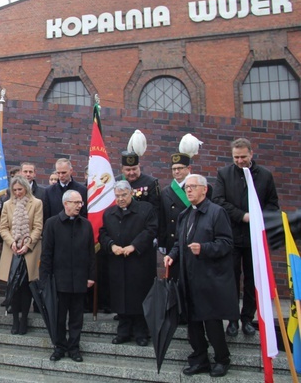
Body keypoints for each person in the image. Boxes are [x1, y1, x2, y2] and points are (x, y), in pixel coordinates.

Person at [164, 174, 237, 377]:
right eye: (187, 187)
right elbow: (179, 242)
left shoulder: (216, 212)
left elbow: (226, 243)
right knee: (193, 324)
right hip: (188, 278)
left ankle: (222, 359)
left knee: (212, 323)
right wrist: (171, 255)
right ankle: (199, 359)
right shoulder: (185, 214)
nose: (188, 190)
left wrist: (204, 248)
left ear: (204, 190)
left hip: (210, 279)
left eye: (193, 187)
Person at [213, 138, 279, 337]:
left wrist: (259, 216)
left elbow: (273, 204)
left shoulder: (265, 176)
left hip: (254, 238)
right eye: (236, 157)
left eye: (243, 157)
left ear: (251, 154)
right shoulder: (224, 174)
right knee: (231, 279)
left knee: (252, 280)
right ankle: (232, 319)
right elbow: (218, 201)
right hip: (231, 236)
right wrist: (242, 216)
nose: (240, 161)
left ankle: (248, 318)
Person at [99, 180, 157, 347]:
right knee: (120, 296)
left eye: (124, 195)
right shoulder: (109, 213)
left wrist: (134, 246)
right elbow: (103, 233)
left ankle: (141, 332)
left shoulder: (145, 209)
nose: (121, 199)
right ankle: (123, 331)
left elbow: (151, 230)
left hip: (139, 261)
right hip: (117, 261)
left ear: (131, 193)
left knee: (138, 296)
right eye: (117, 196)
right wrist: (111, 245)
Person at [41, 190, 95, 362]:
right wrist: (45, 280)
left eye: (81, 203)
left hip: (80, 279)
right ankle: (59, 346)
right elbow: (46, 254)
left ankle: (74, 348)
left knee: (76, 317)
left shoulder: (86, 225)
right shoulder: (52, 223)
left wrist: (91, 276)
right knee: (59, 316)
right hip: (59, 280)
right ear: (66, 204)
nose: (80, 205)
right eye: (76, 202)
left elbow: (91, 253)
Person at [0, 177, 43, 335]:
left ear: (26, 189)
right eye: (14, 190)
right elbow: (3, 228)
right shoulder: (8, 204)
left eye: (20, 190)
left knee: (26, 288)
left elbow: (38, 227)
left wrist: (27, 244)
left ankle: (24, 320)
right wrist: (12, 243)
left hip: (29, 250)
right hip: (12, 251)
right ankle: (15, 319)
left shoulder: (36, 203)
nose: (17, 193)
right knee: (13, 287)